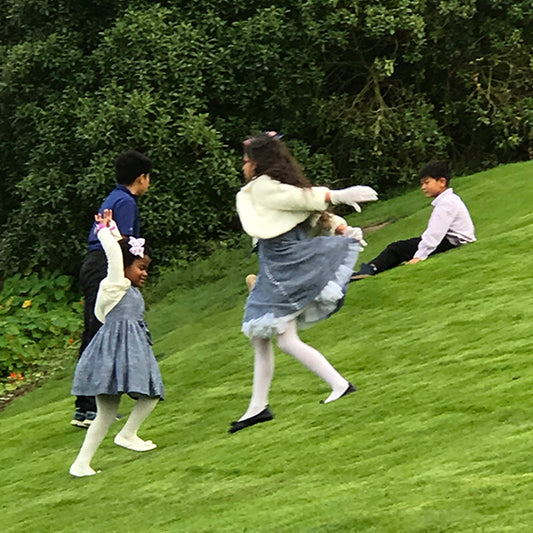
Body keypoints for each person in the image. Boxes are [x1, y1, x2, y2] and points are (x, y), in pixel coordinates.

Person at [229, 132, 378, 433]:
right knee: (269, 337)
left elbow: (301, 202)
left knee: (278, 338)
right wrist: (340, 223)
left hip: (284, 265)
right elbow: (309, 211)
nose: (243, 167)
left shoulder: (264, 188)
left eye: (245, 161)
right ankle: (260, 406)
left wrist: (336, 201)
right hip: (278, 266)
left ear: (256, 164)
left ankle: (334, 386)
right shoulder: (273, 188)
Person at [69, 209, 164, 477]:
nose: (144, 273)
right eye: (140, 268)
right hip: (119, 352)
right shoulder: (115, 283)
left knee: (112, 410)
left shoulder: (128, 288)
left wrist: (115, 231)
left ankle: (81, 464)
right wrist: (104, 230)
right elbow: (114, 254)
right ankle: (127, 434)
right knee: (149, 393)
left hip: (124, 351)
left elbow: (119, 250)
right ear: (124, 267)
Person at [72, 150, 152, 428]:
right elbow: (123, 244)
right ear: (141, 178)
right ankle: (89, 405)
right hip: (103, 264)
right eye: (147, 177)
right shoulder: (126, 202)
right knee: (99, 331)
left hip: (95, 264)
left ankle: (87, 405)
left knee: (95, 329)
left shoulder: (114, 198)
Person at [351, 160, 476, 280]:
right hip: (453, 240)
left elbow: (435, 232)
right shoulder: (449, 200)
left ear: (442, 182)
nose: (423, 187)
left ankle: (370, 269)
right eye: (422, 183)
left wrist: (420, 256)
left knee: (396, 248)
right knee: (400, 248)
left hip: (453, 242)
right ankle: (374, 268)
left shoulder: (446, 203)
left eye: (427, 183)